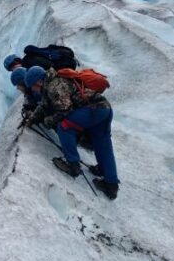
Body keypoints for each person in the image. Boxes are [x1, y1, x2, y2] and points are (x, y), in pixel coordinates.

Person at [24, 66, 119, 199]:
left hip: (93, 109)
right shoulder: (53, 83)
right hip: (104, 108)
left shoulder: (54, 86)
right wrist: (32, 120)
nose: (32, 89)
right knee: (102, 143)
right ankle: (111, 184)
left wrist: (48, 121)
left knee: (65, 126)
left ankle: (72, 165)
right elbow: (44, 105)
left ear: (39, 82)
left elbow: (64, 109)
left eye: (32, 86)